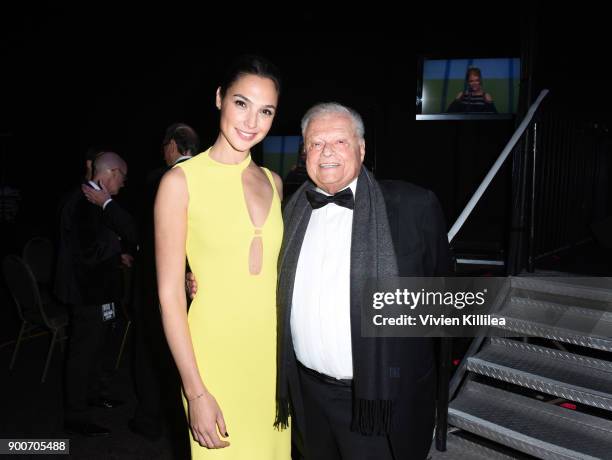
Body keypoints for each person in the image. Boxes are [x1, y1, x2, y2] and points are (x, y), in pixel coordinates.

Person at [274, 103, 451, 459]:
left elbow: (444, 301)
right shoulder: (289, 211)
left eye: (339, 141)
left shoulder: (412, 206)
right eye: (315, 143)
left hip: (377, 398)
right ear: (304, 152)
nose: (326, 152)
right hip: (307, 396)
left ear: (362, 149)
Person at [155, 55, 290, 458]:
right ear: (219, 99)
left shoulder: (275, 183)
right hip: (212, 359)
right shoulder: (180, 183)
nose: (251, 122)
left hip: (270, 362)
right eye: (241, 103)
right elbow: (169, 296)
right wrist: (195, 392)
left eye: (266, 111)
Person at [55, 152, 137, 437]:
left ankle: (93, 394)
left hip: (99, 290)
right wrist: (116, 252)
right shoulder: (84, 201)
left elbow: (97, 245)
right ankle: (76, 416)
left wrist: (117, 257)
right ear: (112, 172)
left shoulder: (94, 199)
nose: (124, 184)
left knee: (98, 347)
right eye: (123, 177)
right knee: (82, 352)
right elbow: (85, 252)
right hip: (87, 293)